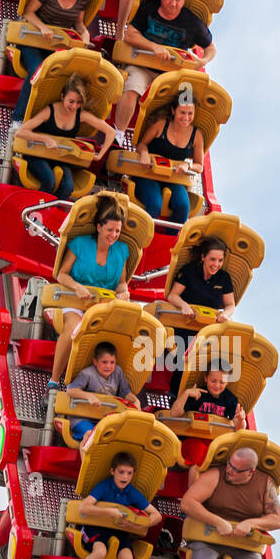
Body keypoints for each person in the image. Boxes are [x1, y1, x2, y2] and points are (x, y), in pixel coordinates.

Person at [113, 0, 216, 132]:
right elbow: (130, 34)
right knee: (132, 87)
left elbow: (211, 48)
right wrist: (154, 47)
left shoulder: (193, 23)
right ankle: (119, 134)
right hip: (143, 65)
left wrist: (204, 61)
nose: (173, 4)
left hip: (170, 75)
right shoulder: (149, 8)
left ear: (184, 0)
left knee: (181, 106)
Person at [180, 446, 280, 559]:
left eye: (236, 470)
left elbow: (277, 519)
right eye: (229, 464)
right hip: (207, 539)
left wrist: (250, 523)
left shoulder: (266, 484)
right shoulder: (215, 474)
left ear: (250, 472)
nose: (229, 470)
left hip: (243, 546)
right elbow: (187, 502)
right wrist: (218, 522)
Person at [50, 196, 131, 383]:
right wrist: (77, 287)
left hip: (102, 307)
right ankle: (54, 382)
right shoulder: (80, 244)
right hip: (74, 301)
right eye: (110, 230)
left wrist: (123, 291)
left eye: (118, 231)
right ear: (99, 227)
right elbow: (61, 274)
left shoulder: (121, 250)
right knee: (75, 329)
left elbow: (121, 282)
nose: (114, 235)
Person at [65, 451, 162, 559]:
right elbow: (84, 508)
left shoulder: (132, 493)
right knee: (100, 552)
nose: (125, 477)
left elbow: (157, 516)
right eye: (121, 472)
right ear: (112, 471)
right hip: (94, 529)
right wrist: (108, 512)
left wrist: (134, 525)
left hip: (118, 532)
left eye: (129, 473)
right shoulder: (104, 486)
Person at [11, 0, 92, 127]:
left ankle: (43, 123)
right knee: (37, 70)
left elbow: (78, 23)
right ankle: (18, 119)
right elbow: (28, 12)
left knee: (65, 81)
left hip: (57, 46)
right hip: (34, 41)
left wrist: (84, 33)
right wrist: (42, 27)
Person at [13, 75, 115, 199]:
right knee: (49, 180)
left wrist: (99, 156)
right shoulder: (50, 110)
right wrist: (46, 139)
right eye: (71, 101)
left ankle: (50, 211)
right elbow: (20, 132)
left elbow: (111, 132)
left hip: (61, 157)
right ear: (62, 97)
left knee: (68, 186)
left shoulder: (81, 114)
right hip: (38, 154)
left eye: (78, 103)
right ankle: (35, 210)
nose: (74, 106)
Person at [165, 234, 236, 401]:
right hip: (184, 325)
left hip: (206, 329)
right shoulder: (189, 271)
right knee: (185, 356)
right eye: (212, 259)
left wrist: (225, 315)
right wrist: (184, 305)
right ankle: (174, 396)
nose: (216, 265)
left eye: (220, 260)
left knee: (211, 361)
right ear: (203, 257)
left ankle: (204, 400)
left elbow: (230, 305)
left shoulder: (224, 278)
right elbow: (173, 296)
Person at [133, 91, 205, 223]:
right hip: (148, 173)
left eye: (190, 113)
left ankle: (169, 238)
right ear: (173, 110)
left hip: (173, 177)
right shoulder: (161, 124)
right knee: (155, 204)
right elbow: (141, 144)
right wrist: (144, 153)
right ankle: (144, 237)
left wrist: (187, 165)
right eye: (182, 112)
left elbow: (199, 166)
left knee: (183, 206)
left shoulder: (197, 135)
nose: (186, 117)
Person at [65, 340, 141, 451]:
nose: (108, 366)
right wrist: (89, 397)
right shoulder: (87, 374)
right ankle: (85, 467)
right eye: (104, 362)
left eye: (112, 362)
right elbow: (71, 390)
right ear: (95, 362)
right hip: (82, 417)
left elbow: (125, 392)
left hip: (103, 419)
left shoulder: (118, 372)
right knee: (90, 436)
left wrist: (136, 401)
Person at [169, 364, 247, 472]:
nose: (217, 385)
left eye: (222, 382)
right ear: (206, 378)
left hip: (215, 443)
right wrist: (186, 393)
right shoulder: (198, 394)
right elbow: (174, 414)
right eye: (213, 381)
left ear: (227, 382)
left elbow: (239, 430)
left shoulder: (230, 400)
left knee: (220, 461)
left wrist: (242, 419)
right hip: (192, 439)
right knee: (199, 456)